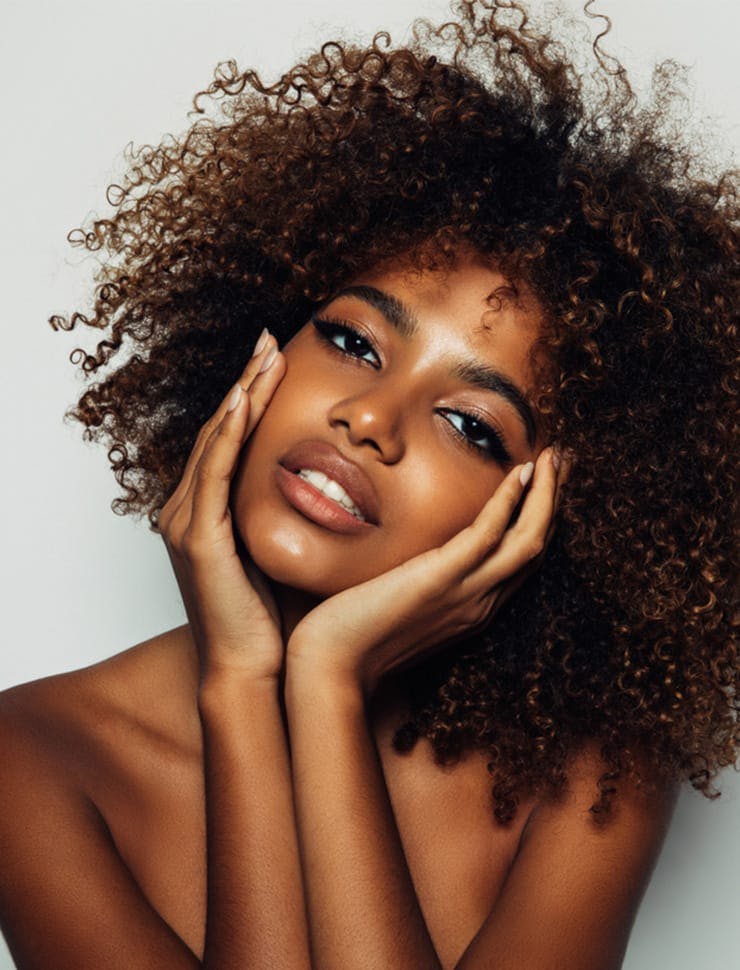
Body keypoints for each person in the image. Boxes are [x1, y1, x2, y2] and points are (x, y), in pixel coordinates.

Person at [0, 1, 736, 967]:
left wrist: (324, 684)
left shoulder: (593, 771)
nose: (370, 420)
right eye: (352, 341)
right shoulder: (33, 756)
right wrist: (241, 683)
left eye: (472, 426)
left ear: (549, 509)